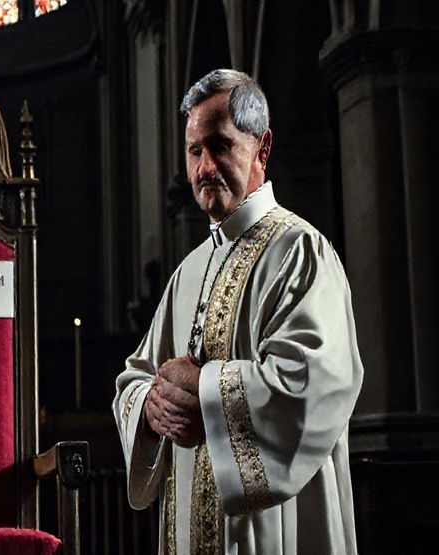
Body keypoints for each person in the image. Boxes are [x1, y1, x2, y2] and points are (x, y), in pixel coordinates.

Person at [112, 69, 363, 554]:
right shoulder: (187, 271)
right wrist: (150, 408)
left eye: (220, 146)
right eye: (193, 151)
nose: (204, 167)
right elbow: (136, 377)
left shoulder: (300, 251)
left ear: (262, 149)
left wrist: (201, 386)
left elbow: (312, 385)